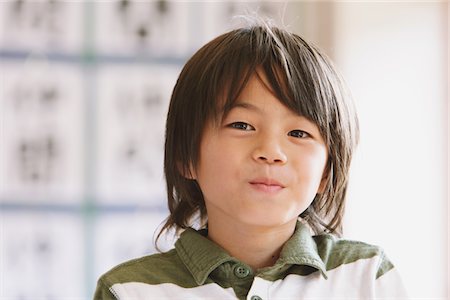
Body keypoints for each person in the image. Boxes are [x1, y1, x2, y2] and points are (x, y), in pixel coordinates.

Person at [94, 20, 408, 300]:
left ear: (327, 171)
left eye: (298, 133)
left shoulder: (366, 277)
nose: (271, 151)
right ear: (186, 155)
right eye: (241, 125)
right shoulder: (128, 290)